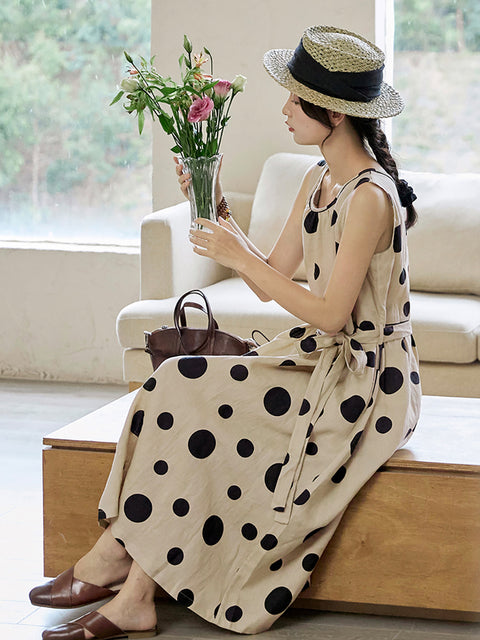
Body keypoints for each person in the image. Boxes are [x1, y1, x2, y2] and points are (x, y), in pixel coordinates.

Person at [31, 25, 421, 639]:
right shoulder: (317, 178)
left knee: (206, 413)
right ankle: (121, 564)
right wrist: (216, 206)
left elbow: (328, 314)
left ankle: (128, 581)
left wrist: (239, 260)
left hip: (366, 385)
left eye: (297, 98)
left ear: (335, 114)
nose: (285, 108)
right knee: (173, 383)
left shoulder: (371, 196)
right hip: (323, 360)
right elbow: (273, 277)